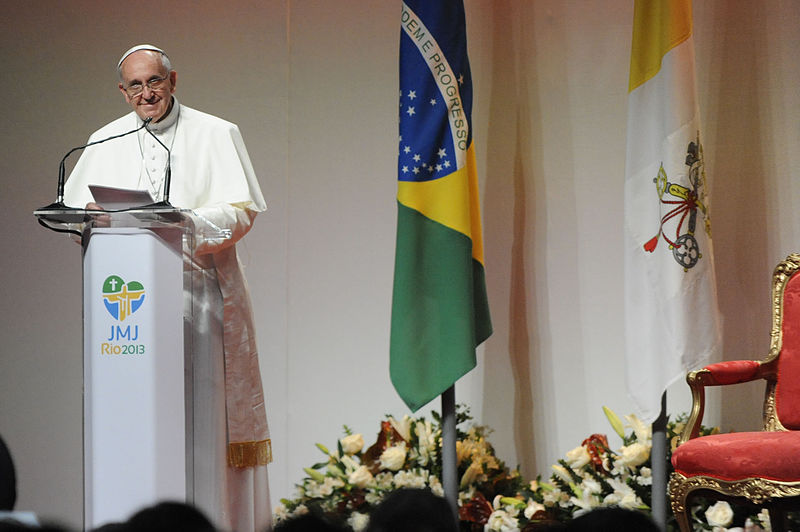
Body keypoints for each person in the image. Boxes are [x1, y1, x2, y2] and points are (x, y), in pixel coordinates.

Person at [63, 44, 270, 532]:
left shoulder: (216, 133)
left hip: (199, 300)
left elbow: (242, 211)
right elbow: (75, 213)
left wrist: (186, 222)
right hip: (128, 314)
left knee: (202, 427)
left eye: (154, 82)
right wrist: (87, 221)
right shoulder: (102, 141)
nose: (146, 93)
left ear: (173, 81)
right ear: (122, 91)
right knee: (134, 428)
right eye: (135, 85)